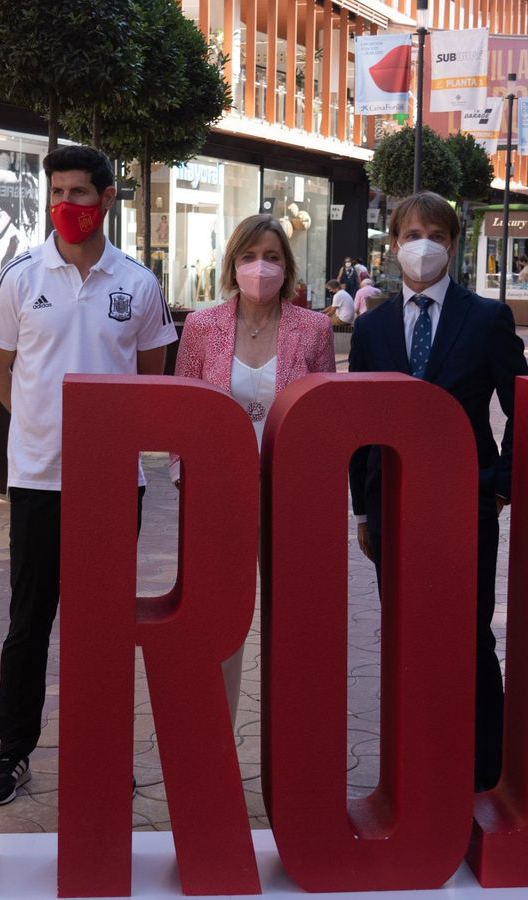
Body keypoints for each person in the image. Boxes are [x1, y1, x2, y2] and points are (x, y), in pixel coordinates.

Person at [0, 145, 177, 806]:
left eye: (81, 193)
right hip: (37, 479)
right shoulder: (19, 277)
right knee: (28, 621)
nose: (68, 205)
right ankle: (13, 752)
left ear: (107, 198)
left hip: (114, 485)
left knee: (105, 624)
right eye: (58, 191)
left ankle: (103, 750)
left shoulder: (139, 284)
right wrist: (39, 420)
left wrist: (106, 436)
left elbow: (153, 377)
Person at [348, 191, 528, 793]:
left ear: (452, 245)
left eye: (434, 234)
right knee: (404, 631)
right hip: (393, 506)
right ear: (393, 244)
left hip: (467, 501)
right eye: (409, 234)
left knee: (471, 634)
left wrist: (499, 486)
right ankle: (417, 754)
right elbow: (360, 426)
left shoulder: (486, 318)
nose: (420, 244)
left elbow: (522, 405)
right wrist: (363, 510)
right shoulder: (371, 328)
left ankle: (485, 767)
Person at [171, 213, 336, 721]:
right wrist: (187, 478)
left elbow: (324, 417)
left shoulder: (314, 329)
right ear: (231, 265)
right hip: (220, 495)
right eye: (248, 257)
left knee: (292, 618)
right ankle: (215, 730)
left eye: (270, 257)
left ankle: (294, 730)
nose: (259, 267)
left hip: (289, 496)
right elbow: (183, 410)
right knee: (221, 619)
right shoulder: (202, 326)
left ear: (287, 267)